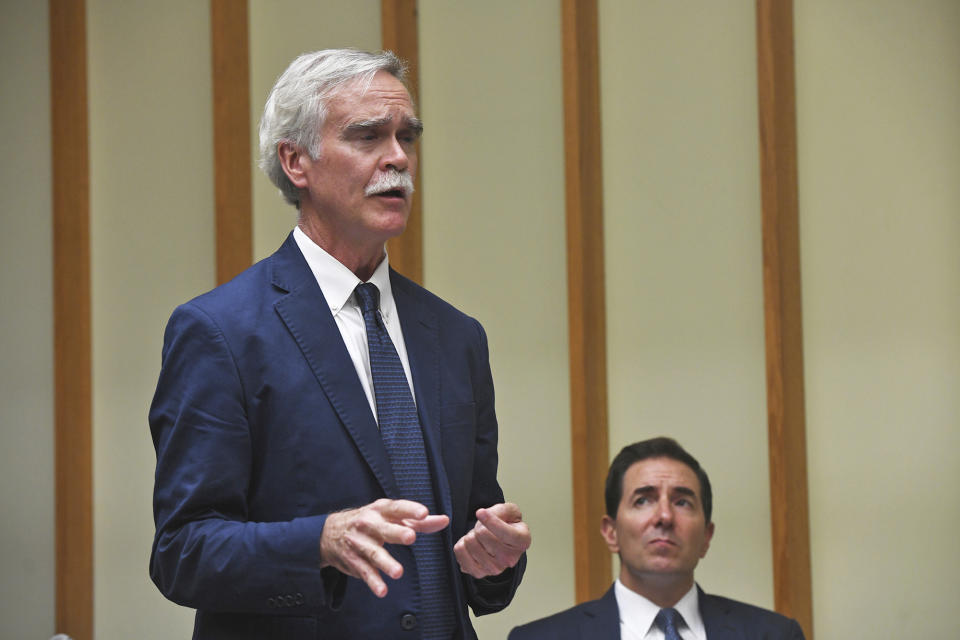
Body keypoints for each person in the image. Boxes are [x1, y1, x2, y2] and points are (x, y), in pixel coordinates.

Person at [149, 49, 530, 640]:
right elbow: (183, 552)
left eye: (407, 136)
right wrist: (319, 542)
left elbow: (471, 546)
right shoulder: (221, 332)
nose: (398, 158)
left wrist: (493, 559)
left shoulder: (456, 337)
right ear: (296, 161)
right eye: (368, 136)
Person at [509, 437, 804, 639]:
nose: (664, 516)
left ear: (706, 537)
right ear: (610, 532)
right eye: (643, 500)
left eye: (682, 502)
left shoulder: (774, 635)